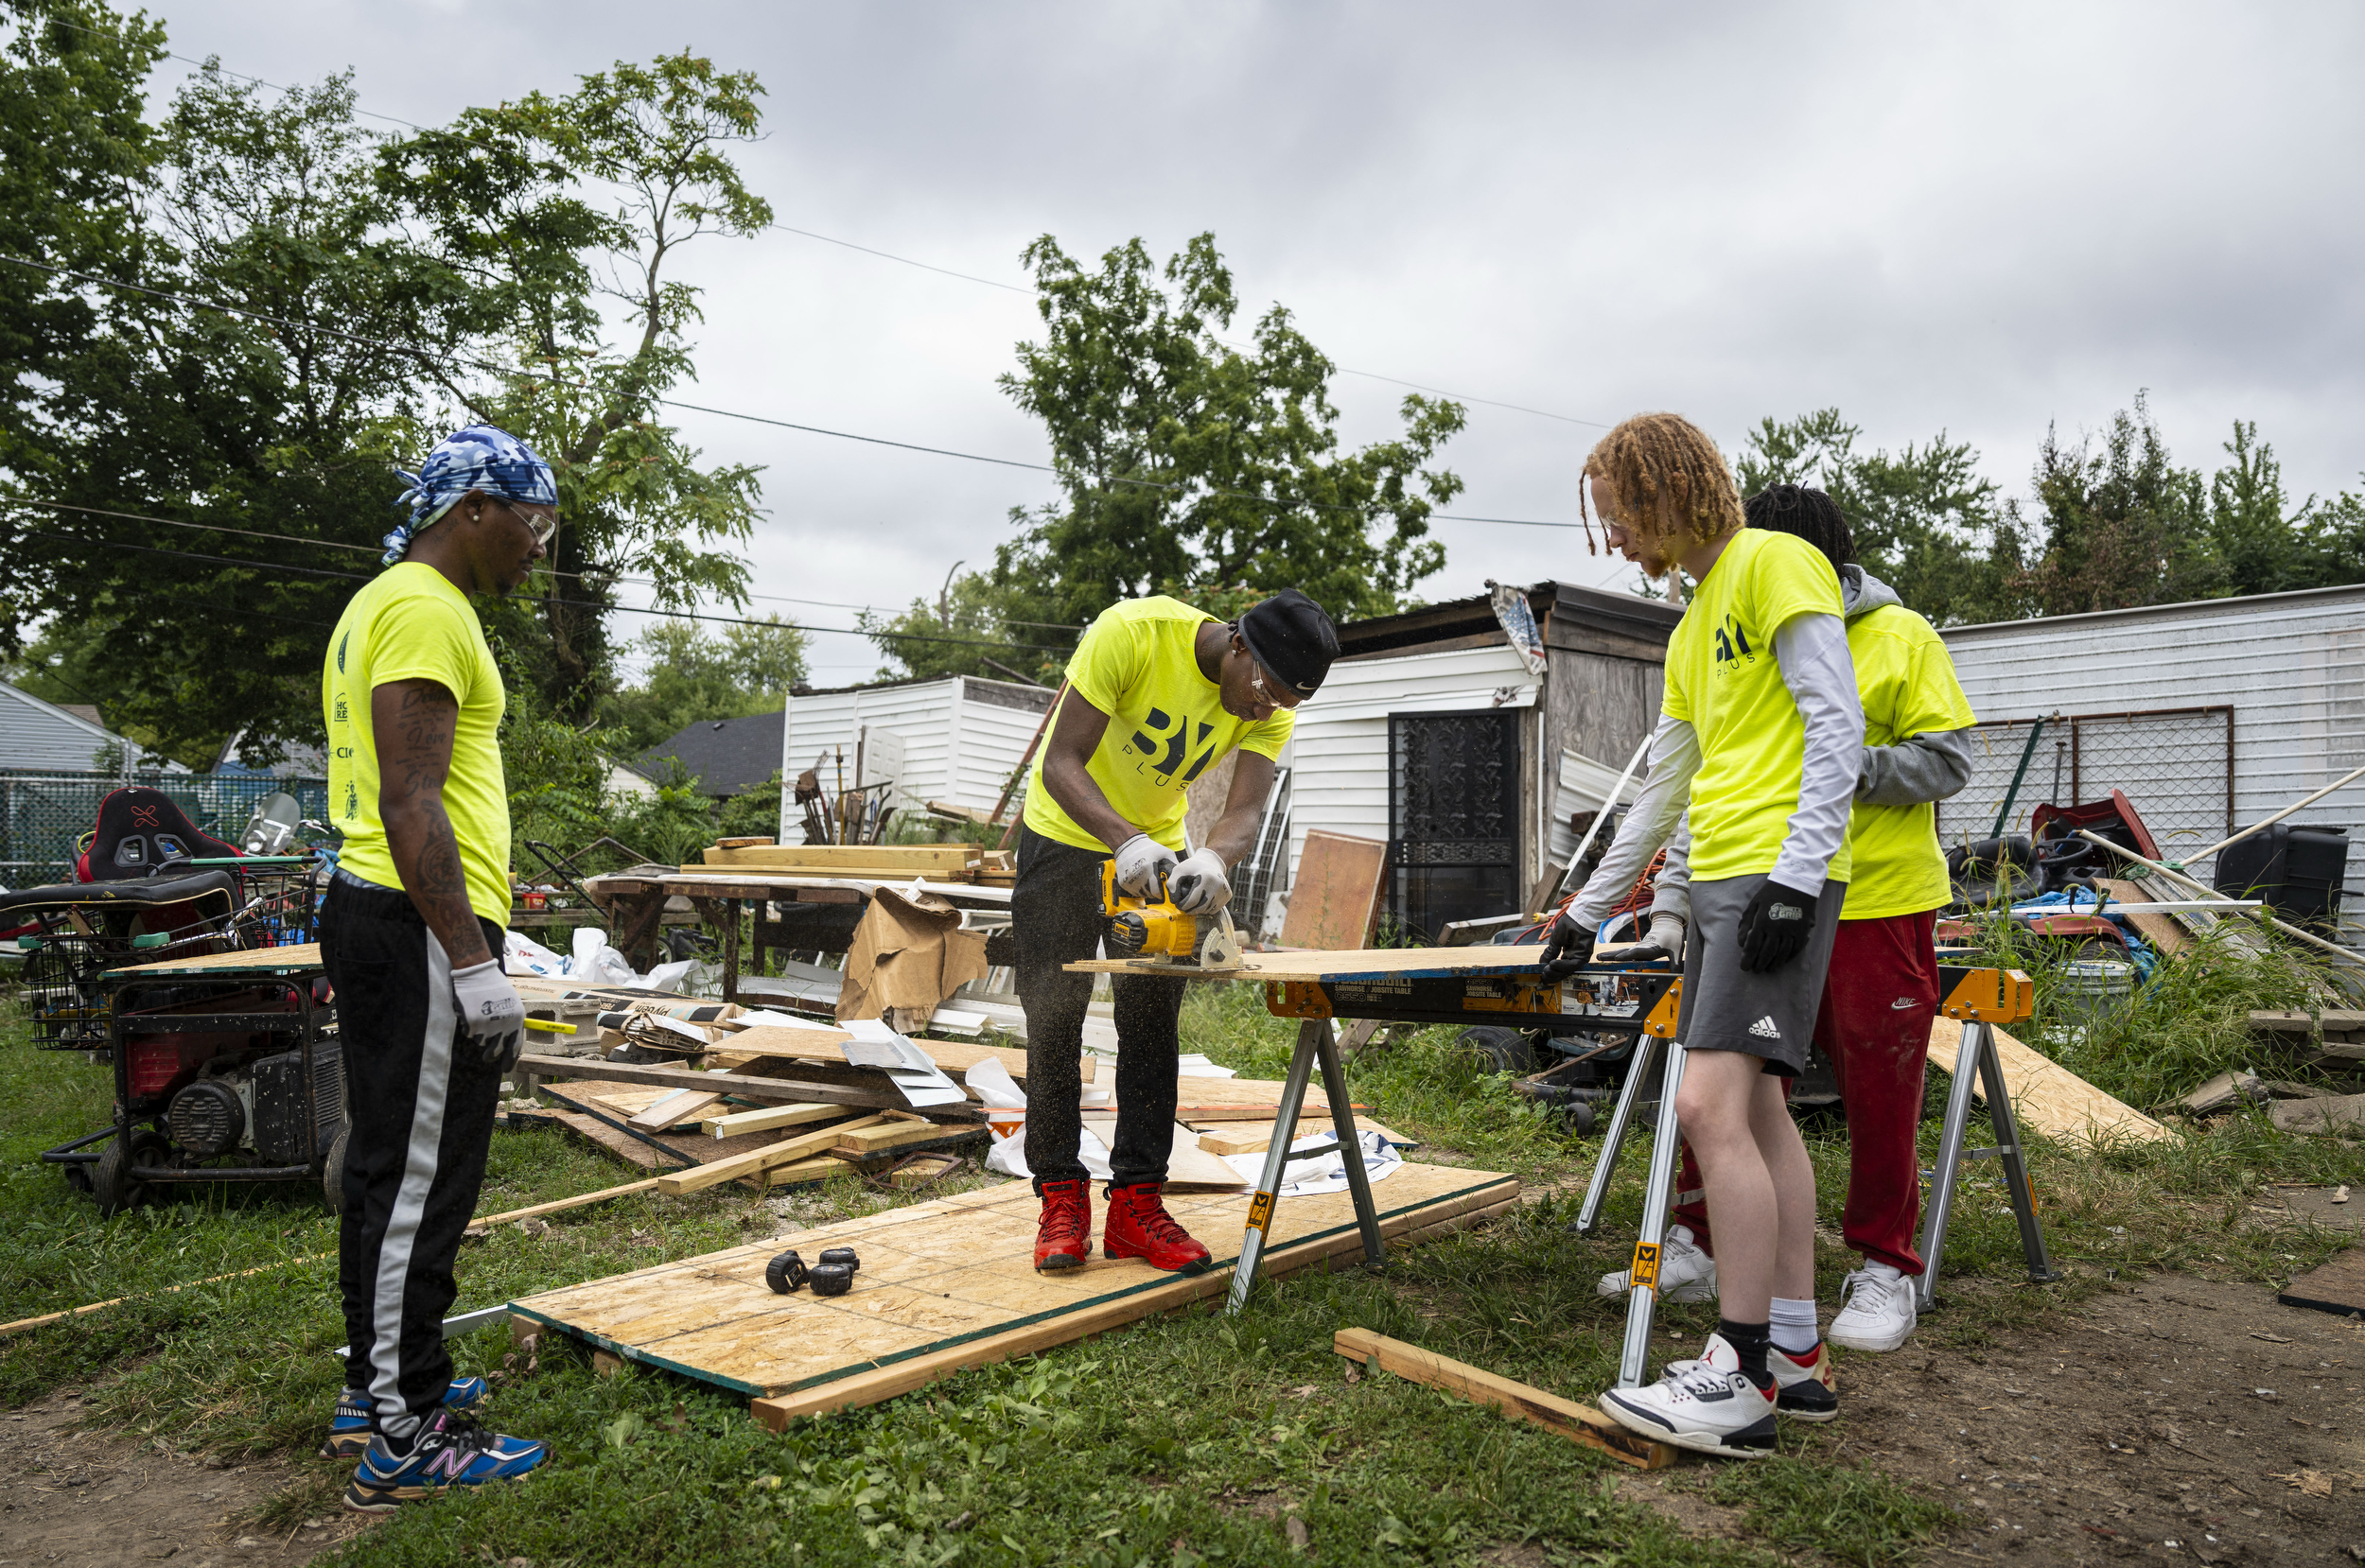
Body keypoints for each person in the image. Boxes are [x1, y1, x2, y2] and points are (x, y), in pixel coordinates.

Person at [1541, 414, 1865, 1458]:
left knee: (1703, 1104)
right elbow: (1665, 782)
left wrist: (1797, 875)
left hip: (1774, 877)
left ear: (1669, 490)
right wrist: (1588, 909)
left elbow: (1838, 724)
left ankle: (1737, 1370)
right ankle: (1798, 1350)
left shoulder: (1778, 564)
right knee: (1762, 1110)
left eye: (1621, 517)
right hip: (1726, 873)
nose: (1617, 540)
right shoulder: (1689, 627)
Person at [1612, 486, 1975, 1353]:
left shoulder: (1899, 636)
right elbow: (1704, 776)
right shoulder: (1728, 629)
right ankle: (1711, 1244)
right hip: (1754, 883)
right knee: (1737, 1088)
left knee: (1878, 1088)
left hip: (1877, 895)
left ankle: (1885, 1265)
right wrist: (1663, 900)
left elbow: (1949, 758)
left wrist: (1844, 764)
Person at [319, 427, 557, 1511]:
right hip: (417, 923)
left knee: (384, 1165)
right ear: (472, 507)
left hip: (389, 914)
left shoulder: (382, 600)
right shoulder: (423, 607)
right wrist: (472, 958)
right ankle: (407, 1433)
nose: (538, 548)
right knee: (422, 1177)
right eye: (531, 521)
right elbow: (411, 796)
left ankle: (378, 1388)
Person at [1017, 589, 1339, 1273]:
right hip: (1064, 840)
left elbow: (1247, 808)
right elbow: (1061, 762)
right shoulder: (1131, 635)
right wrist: (1121, 839)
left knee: (1150, 1027)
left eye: (1285, 703)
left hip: (1158, 851)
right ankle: (1060, 1200)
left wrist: (1216, 858)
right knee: (1053, 1021)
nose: (1266, 710)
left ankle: (1137, 1203)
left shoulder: (1269, 702)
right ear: (1241, 644)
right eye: (1265, 691)